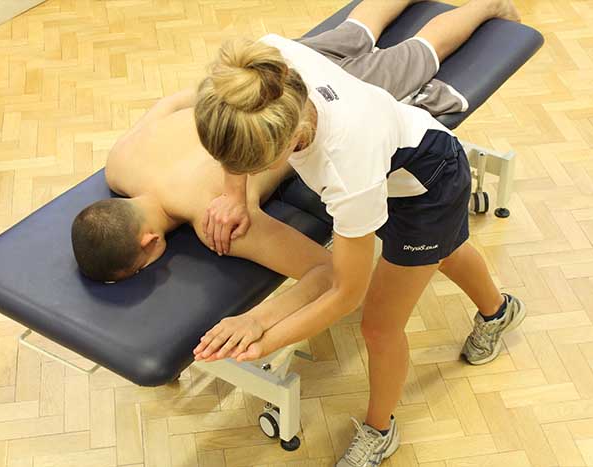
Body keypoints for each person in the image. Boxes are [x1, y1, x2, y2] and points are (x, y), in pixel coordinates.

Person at [191, 0, 525, 465]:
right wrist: (233, 196)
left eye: (257, 165)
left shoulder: (345, 166)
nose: (248, 172)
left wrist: (264, 336)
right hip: (395, 159)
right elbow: (232, 149)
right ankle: (499, 312)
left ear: (290, 141)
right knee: (444, 251)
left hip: (427, 183)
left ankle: (380, 430)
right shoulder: (262, 70)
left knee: (379, 324)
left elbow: (347, 291)